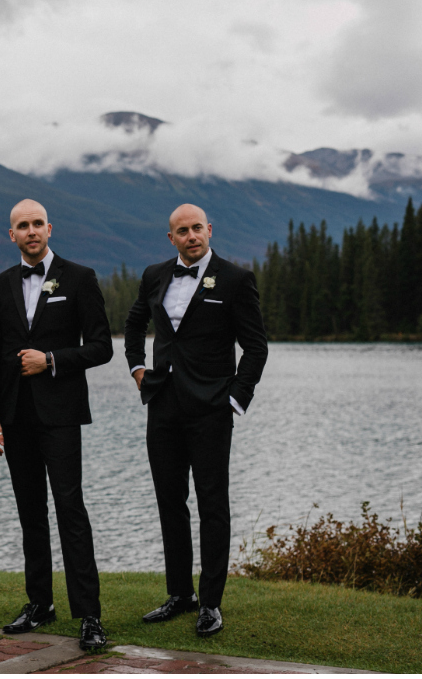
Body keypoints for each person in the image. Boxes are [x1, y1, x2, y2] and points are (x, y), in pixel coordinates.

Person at [124, 203, 268, 637]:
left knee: (212, 506)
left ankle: (210, 603)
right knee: (170, 502)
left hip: (211, 409)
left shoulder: (236, 280)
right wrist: (136, 368)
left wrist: (235, 400)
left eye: (197, 228)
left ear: (210, 229)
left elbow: (256, 348)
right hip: (163, 405)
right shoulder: (154, 275)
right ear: (171, 238)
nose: (191, 236)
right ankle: (179, 594)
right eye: (182, 231)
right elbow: (133, 324)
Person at [0, 199, 113, 651]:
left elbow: (101, 347)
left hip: (60, 415)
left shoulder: (80, 278)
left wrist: (52, 360)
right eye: (23, 225)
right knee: (30, 513)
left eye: (38, 223)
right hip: (14, 416)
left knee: (70, 509)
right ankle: (40, 603)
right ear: (12, 235)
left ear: (50, 228)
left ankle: (89, 615)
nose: (31, 231)